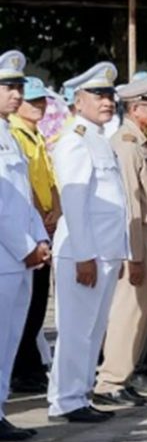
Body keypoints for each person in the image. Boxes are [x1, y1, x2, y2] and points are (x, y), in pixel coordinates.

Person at [47, 61, 130, 424]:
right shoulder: (75, 140)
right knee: (77, 331)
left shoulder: (98, 138)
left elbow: (113, 200)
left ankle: (79, 394)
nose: (107, 100)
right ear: (78, 101)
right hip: (85, 252)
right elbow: (75, 202)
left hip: (104, 251)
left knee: (93, 331)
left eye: (110, 94)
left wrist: (118, 251)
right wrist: (84, 256)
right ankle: (66, 400)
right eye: (98, 94)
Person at [93, 70, 147, 407]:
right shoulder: (126, 144)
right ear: (136, 108)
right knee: (127, 314)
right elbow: (130, 205)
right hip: (135, 237)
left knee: (140, 314)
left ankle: (123, 377)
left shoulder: (139, 141)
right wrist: (133, 255)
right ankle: (110, 382)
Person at [0, 50, 51, 440]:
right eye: (8, 87)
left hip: (20, 256)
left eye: (18, 87)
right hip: (7, 254)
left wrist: (41, 240)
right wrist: (25, 246)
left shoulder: (10, 136)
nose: (16, 94)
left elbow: (25, 196)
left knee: (10, 340)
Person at [8, 76, 60, 394]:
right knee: (22, 308)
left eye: (41, 101)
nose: (38, 106)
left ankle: (27, 367)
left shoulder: (33, 135)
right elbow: (22, 189)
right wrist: (41, 217)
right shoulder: (13, 133)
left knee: (36, 303)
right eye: (33, 101)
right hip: (23, 231)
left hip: (41, 227)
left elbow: (48, 181)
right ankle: (22, 369)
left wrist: (54, 210)